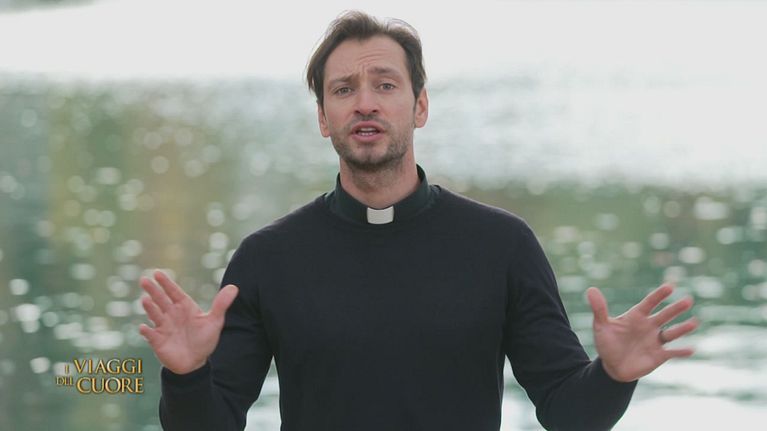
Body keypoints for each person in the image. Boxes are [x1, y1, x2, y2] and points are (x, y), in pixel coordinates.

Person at [138, 10, 699, 431]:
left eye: (385, 85)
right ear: (323, 118)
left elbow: (567, 413)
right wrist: (186, 376)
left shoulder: (501, 245)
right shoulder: (268, 258)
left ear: (420, 106)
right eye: (343, 90)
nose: (365, 103)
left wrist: (612, 376)